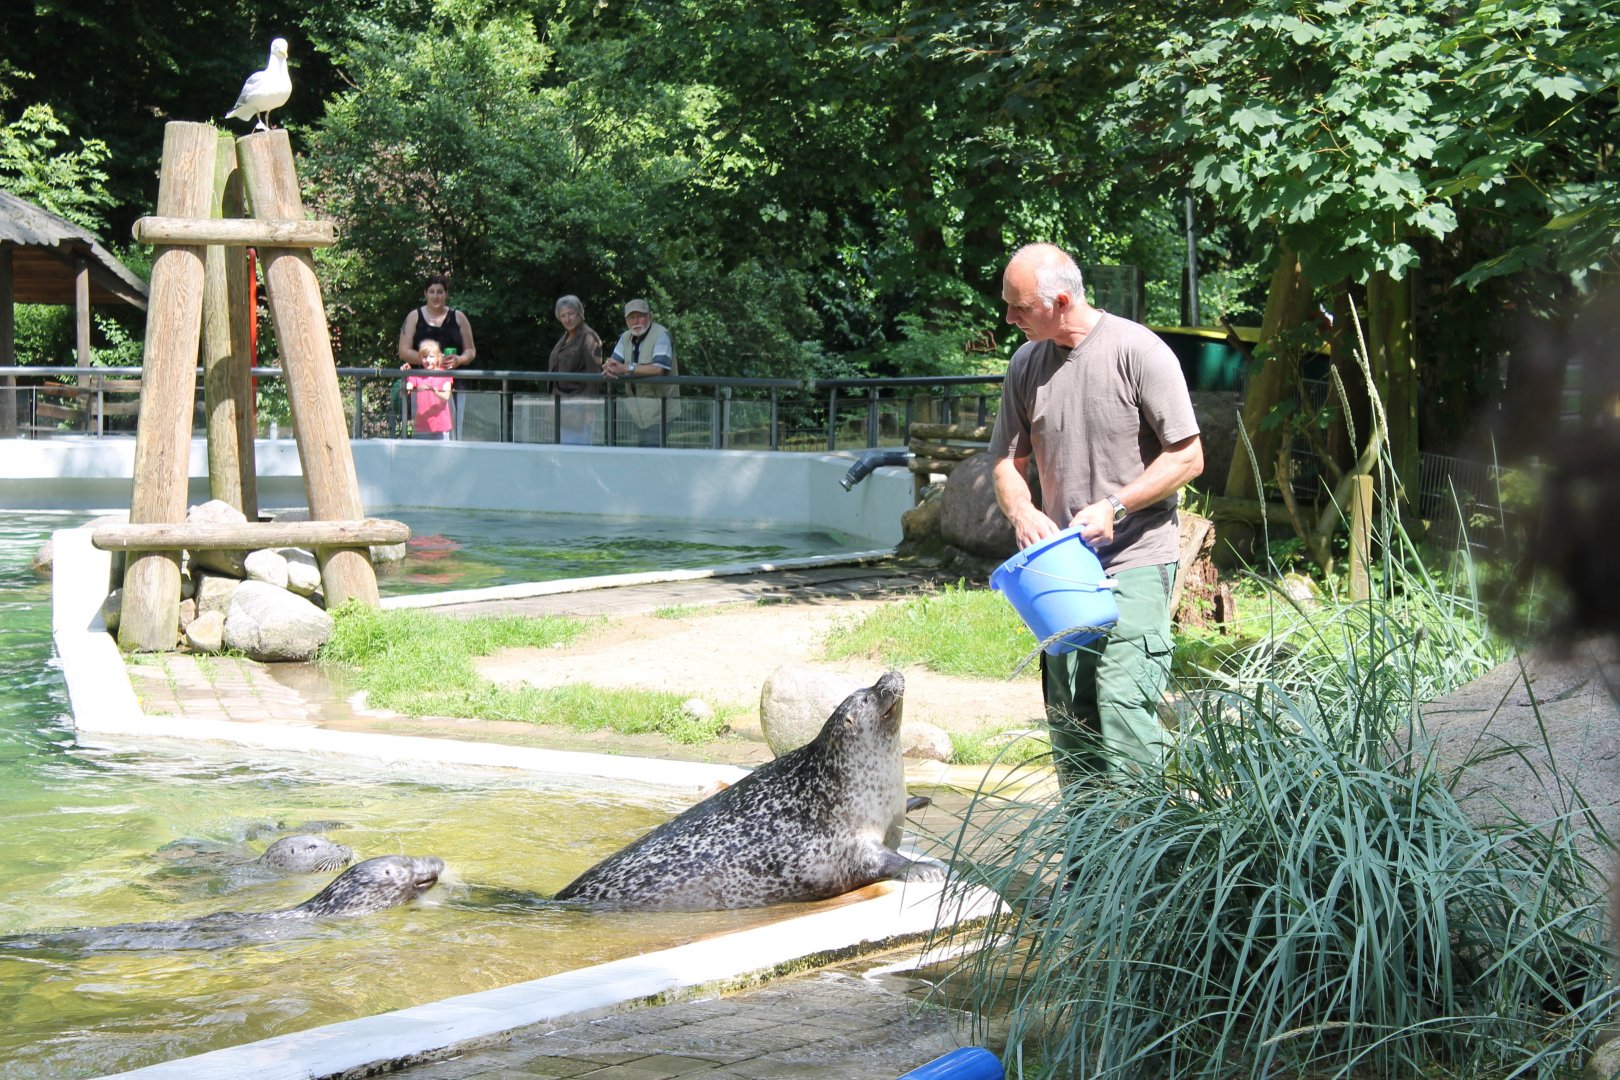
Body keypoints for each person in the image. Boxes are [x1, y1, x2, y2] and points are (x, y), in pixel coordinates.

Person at [989, 243, 1204, 785]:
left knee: (1123, 712)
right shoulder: (1025, 365)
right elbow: (1005, 464)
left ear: (1060, 301)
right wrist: (1021, 510)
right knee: (1071, 723)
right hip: (1061, 569)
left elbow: (1189, 456)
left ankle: (1150, 867)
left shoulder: (1139, 351)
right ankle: (1088, 870)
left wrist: (1116, 505)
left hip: (1135, 555)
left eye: (1019, 307)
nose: (1009, 318)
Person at [397, 274, 477, 437]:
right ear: (425, 293)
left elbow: (471, 351)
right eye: (431, 291)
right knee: (423, 434)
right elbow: (403, 352)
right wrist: (430, 360)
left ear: (446, 294)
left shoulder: (459, 317)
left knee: (454, 435)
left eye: (440, 292)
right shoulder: (414, 317)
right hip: (422, 386)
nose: (435, 296)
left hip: (454, 386)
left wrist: (459, 359)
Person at [603, 298, 678, 446]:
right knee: (644, 457)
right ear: (626, 321)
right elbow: (614, 362)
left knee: (651, 457)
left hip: (661, 413)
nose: (636, 321)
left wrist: (625, 368)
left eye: (640, 316)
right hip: (637, 413)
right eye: (631, 317)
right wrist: (609, 368)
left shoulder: (661, 335)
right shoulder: (625, 337)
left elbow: (658, 369)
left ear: (649, 317)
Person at [548, 295, 603, 445]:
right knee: (562, 457)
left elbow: (594, 375)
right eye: (563, 315)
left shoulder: (589, 337)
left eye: (571, 313)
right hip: (561, 406)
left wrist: (590, 408)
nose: (567, 319)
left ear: (580, 313)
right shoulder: (565, 337)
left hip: (579, 406)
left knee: (576, 457)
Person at [402, 340, 454, 440]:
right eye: (425, 357)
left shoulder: (445, 375)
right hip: (421, 426)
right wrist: (405, 374)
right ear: (420, 358)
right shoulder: (416, 375)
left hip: (440, 426)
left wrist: (433, 390)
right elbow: (405, 389)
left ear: (438, 357)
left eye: (431, 356)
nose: (428, 360)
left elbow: (446, 396)